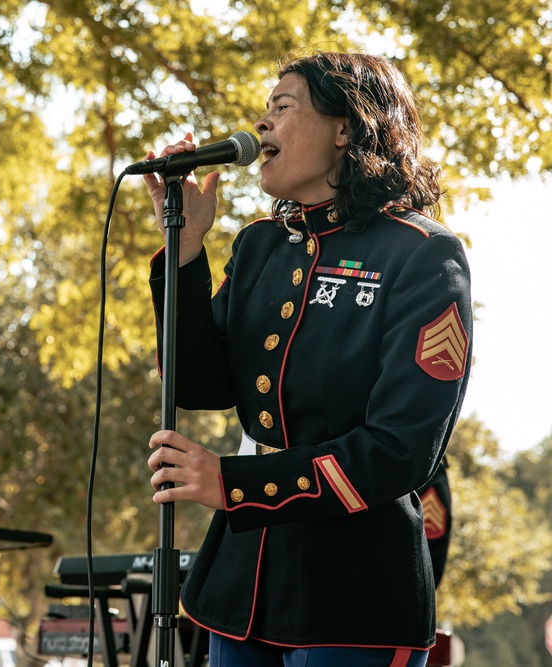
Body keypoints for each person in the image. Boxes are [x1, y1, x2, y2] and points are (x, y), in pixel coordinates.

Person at [142, 51, 471, 667]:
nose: (263, 123)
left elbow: (401, 448)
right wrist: (184, 253)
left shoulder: (423, 254)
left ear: (345, 128)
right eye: (264, 110)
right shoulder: (260, 245)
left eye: (283, 107)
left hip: (358, 596)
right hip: (243, 588)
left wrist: (233, 484)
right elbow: (198, 382)